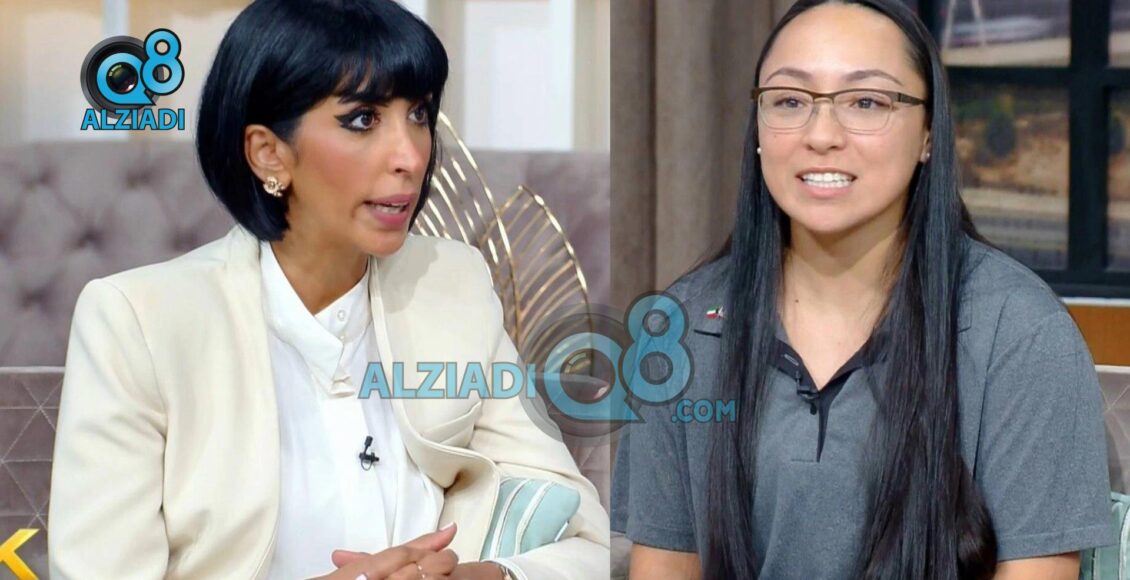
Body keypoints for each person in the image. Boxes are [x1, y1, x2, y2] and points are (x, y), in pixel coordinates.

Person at [47, 1, 609, 578]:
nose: (411, 156)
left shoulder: (452, 282)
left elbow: (587, 541)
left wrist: (482, 577)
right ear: (268, 153)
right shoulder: (138, 321)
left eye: (418, 114)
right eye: (363, 119)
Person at [611, 1, 1114, 578]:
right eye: (790, 101)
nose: (821, 135)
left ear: (928, 134)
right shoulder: (679, 327)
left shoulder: (1019, 330)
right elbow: (665, 567)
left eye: (867, 102)